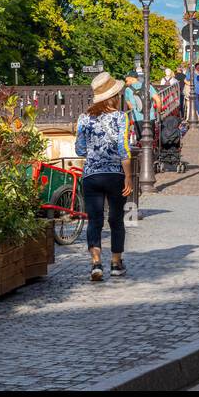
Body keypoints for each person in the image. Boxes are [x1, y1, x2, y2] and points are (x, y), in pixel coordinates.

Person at [75, 72, 133, 281]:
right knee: (116, 219)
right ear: (114, 96)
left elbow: (80, 150)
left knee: (95, 220)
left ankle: (96, 264)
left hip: (91, 175)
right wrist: (128, 177)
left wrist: (93, 152)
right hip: (114, 175)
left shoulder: (84, 119)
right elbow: (123, 148)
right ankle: (116, 263)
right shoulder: (120, 117)